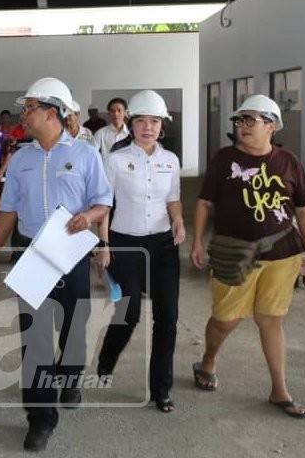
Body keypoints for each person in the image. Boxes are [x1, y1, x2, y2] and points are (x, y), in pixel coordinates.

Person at [0, 78, 112, 452]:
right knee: (35, 338)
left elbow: (103, 201)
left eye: (30, 108)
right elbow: (7, 212)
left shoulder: (86, 155)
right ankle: (41, 417)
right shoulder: (21, 159)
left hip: (70, 251)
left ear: (51, 112)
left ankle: (70, 378)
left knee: (74, 328)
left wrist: (88, 217)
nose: (23, 115)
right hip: (31, 253)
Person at [190, 94, 305, 418]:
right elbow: (205, 202)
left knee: (270, 319)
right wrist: (196, 242)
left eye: (251, 120)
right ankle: (208, 359)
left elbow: (302, 212)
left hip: (283, 254)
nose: (243, 126)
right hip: (233, 255)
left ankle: (279, 390)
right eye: (239, 120)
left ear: (272, 127)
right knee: (225, 320)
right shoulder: (223, 159)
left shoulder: (288, 162)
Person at [96, 90, 185, 413]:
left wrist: (178, 221)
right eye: (142, 121)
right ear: (132, 124)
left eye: (155, 121)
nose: (149, 127)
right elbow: (104, 205)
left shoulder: (170, 160)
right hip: (124, 244)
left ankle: (161, 389)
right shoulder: (116, 159)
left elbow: (173, 198)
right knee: (129, 313)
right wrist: (103, 245)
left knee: (168, 318)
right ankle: (106, 360)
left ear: (163, 126)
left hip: (163, 246)